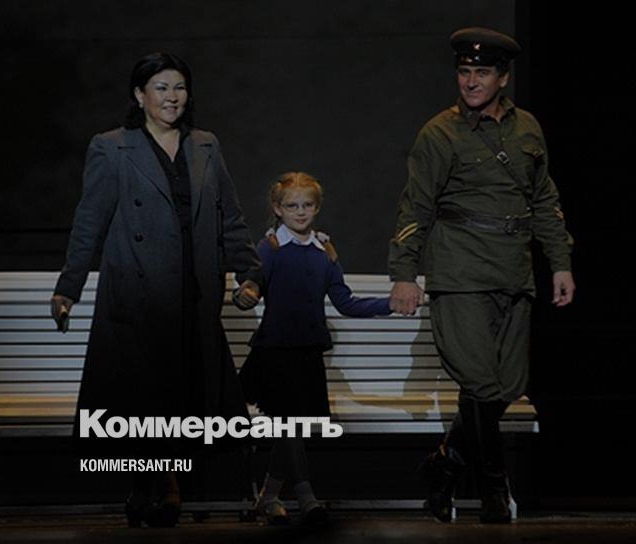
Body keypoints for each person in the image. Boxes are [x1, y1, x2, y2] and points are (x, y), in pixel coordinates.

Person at [50, 52, 262, 528]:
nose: (172, 97)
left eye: (179, 87)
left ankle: (152, 483)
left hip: (193, 289)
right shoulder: (112, 147)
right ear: (139, 95)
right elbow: (90, 221)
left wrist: (250, 271)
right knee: (147, 396)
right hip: (138, 290)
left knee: (180, 395)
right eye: (161, 88)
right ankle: (160, 483)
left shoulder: (205, 145)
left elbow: (229, 216)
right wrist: (69, 286)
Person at [387, 27, 576, 523]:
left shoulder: (527, 128)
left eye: (482, 72)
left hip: (514, 271)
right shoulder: (439, 133)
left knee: (507, 384)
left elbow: (544, 200)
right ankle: (494, 488)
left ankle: (444, 465)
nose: (471, 81)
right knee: (479, 382)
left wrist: (560, 262)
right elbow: (415, 206)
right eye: (465, 71)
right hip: (460, 271)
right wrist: (404, 273)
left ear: (503, 78)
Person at [237, 172, 392, 525]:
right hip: (275, 353)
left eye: (307, 205)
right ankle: (306, 497)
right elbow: (251, 284)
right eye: (292, 206)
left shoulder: (325, 253)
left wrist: (390, 305)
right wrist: (244, 294)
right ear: (278, 208)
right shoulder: (271, 247)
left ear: (317, 207)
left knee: (292, 427)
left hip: (306, 353)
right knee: (290, 424)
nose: (300, 212)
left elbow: (345, 302)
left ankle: (269, 497)